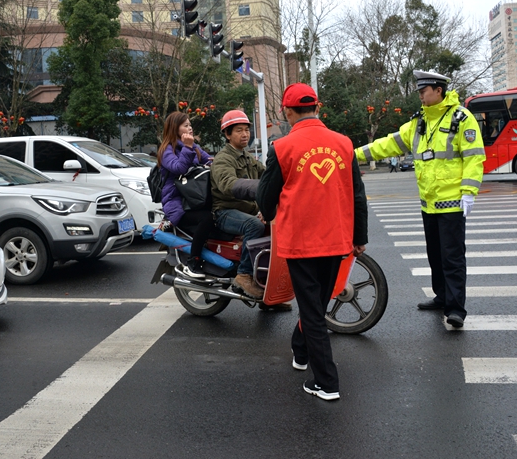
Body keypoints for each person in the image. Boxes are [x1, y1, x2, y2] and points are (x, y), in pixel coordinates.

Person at [258, 83, 368, 401]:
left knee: (312, 312)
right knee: (316, 305)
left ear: (289, 112)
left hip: (301, 242)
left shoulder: (282, 147)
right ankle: (301, 351)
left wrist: (266, 212)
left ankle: (326, 382)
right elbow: (358, 195)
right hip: (337, 239)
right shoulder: (344, 144)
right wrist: (359, 237)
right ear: (317, 108)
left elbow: (266, 193)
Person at [355, 70, 485, 328]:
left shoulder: (462, 119)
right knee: (435, 255)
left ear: (439, 90)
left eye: (423, 92)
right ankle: (442, 296)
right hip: (429, 203)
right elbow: (387, 145)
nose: (420, 97)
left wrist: (469, 192)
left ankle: (456, 308)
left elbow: (474, 157)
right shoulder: (419, 123)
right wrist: (349, 154)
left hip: (452, 203)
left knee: (452, 257)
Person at [210, 110, 267, 299]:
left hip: (246, 209)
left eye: (247, 130)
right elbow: (227, 184)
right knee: (255, 224)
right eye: (239, 130)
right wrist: (259, 187)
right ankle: (243, 274)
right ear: (227, 134)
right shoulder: (223, 159)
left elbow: (266, 175)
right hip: (225, 212)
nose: (245, 134)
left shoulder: (247, 157)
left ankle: (267, 287)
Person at [157, 111, 214, 279]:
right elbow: (178, 168)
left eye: (190, 125)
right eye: (185, 125)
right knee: (207, 218)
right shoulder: (167, 150)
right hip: (177, 203)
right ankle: (193, 262)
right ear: (175, 128)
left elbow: (208, 160)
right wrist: (188, 147)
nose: (190, 128)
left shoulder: (194, 147)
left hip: (194, 198)